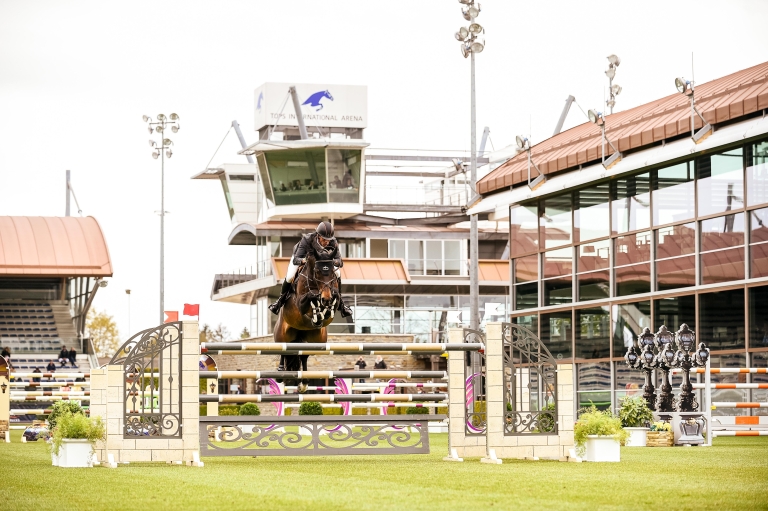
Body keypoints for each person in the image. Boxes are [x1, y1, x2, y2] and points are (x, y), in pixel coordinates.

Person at [268, 221, 352, 317]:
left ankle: (341, 304)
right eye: (324, 239)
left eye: (329, 240)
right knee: (290, 276)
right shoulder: (307, 239)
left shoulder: (333, 241)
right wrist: (304, 261)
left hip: (321, 262)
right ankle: (279, 302)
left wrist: (334, 262)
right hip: (302, 258)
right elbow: (296, 259)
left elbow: (339, 261)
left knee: (337, 273)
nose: (327, 242)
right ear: (318, 236)